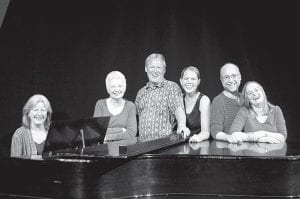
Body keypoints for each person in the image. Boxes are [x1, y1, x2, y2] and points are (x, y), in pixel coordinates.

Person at [135, 53, 190, 142]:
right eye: (152, 67)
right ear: (146, 69)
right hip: (142, 147)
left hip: (163, 145)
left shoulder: (171, 87)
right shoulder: (140, 92)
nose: (155, 71)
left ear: (164, 70)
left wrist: (182, 125)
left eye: (159, 68)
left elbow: (178, 110)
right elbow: (137, 118)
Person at [94, 71, 137, 142]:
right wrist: (121, 130)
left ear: (124, 87)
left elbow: (131, 134)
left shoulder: (130, 106)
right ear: (108, 88)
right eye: (113, 86)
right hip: (103, 149)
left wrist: (107, 137)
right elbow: (97, 132)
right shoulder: (100, 104)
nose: (117, 89)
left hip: (124, 150)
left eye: (120, 86)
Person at [210, 63, 242, 142]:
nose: (231, 80)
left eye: (234, 76)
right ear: (221, 80)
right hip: (229, 148)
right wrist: (229, 138)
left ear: (240, 77)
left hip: (249, 147)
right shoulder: (218, 101)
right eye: (226, 77)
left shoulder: (247, 98)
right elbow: (215, 131)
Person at [179, 66, 210, 142]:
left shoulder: (204, 100)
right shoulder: (178, 99)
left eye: (193, 79)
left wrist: (197, 138)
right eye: (186, 79)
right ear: (181, 81)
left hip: (198, 144)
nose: (189, 82)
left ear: (198, 81)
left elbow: (206, 132)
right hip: (180, 145)